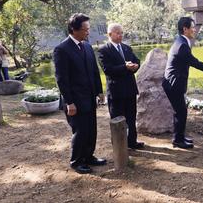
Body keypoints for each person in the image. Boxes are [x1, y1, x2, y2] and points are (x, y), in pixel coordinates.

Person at [53, 13, 106, 174]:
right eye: (85, 29)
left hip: (89, 97)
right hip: (75, 100)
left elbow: (95, 72)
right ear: (73, 29)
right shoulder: (62, 49)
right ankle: (77, 161)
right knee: (81, 131)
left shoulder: (87, 46)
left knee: (91, 129)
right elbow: (61, 79)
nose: (88, 32)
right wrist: (69, 102)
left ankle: (89, 156)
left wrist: (99, 91)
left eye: (88, 29)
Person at [162, 16, 203, 149]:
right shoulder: (182, 45)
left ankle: (180, 137)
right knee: (181, 112)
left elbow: (191, 61)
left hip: (174, 83)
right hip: (173, 84)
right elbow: (194, 62)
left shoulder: (182, 42)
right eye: (192, 27)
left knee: (180, 111)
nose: (194, 30)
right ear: (185, 29)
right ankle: (178, 140)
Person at [98, 23, 144, 149]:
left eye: (121, 33)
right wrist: (125, 67)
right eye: (117, 33)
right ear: (110, 34)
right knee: (117, 119)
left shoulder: (126, 48)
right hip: (116, 91)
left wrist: (136, 66)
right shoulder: (104, 50)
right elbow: (108, 70)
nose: (120, 35)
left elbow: (137, 61)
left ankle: (132, 142)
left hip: (130, 89)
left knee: (131, 117)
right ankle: (119, 146)